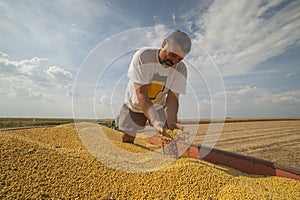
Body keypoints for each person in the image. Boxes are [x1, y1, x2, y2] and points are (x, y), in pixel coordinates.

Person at [118, 30, 192, 143]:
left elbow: (172, 99)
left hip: (158, 106)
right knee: (127, 138)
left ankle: (170, 159)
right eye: (173, 55)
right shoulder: (143, 57)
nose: (174, 61)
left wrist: (171, 123)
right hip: (135, 105)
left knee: (168, 136)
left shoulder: (181, 69)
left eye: (180, 59)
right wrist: (155, 120)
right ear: (164, 43)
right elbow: (141, 94)